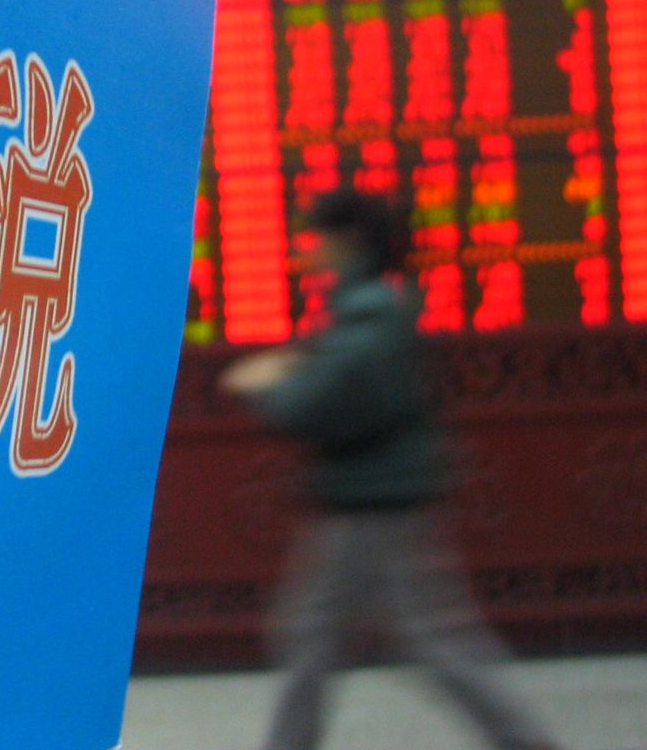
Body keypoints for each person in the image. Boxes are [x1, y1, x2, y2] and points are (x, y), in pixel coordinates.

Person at [221, 189, 559, 750]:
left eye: (319, 238)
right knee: (336, 635)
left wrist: (265, 386)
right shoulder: (371, 312)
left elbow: (313, 406)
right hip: (374, 499)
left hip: (371, 506)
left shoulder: (370, 320)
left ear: (349, 241)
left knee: (406, 639)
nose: (310, 251)